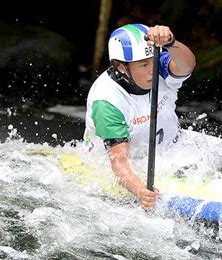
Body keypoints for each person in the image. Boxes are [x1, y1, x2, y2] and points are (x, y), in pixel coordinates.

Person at [83, 23, 196, 210]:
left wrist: (171, 42)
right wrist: (140, 190)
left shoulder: (159, 64)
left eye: (153, 61)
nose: (152, 70)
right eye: (144, 65)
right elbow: (119, 162)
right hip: (126, 165)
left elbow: (188, 65)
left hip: (172, 147)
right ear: (120, 67)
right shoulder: (106, 101)